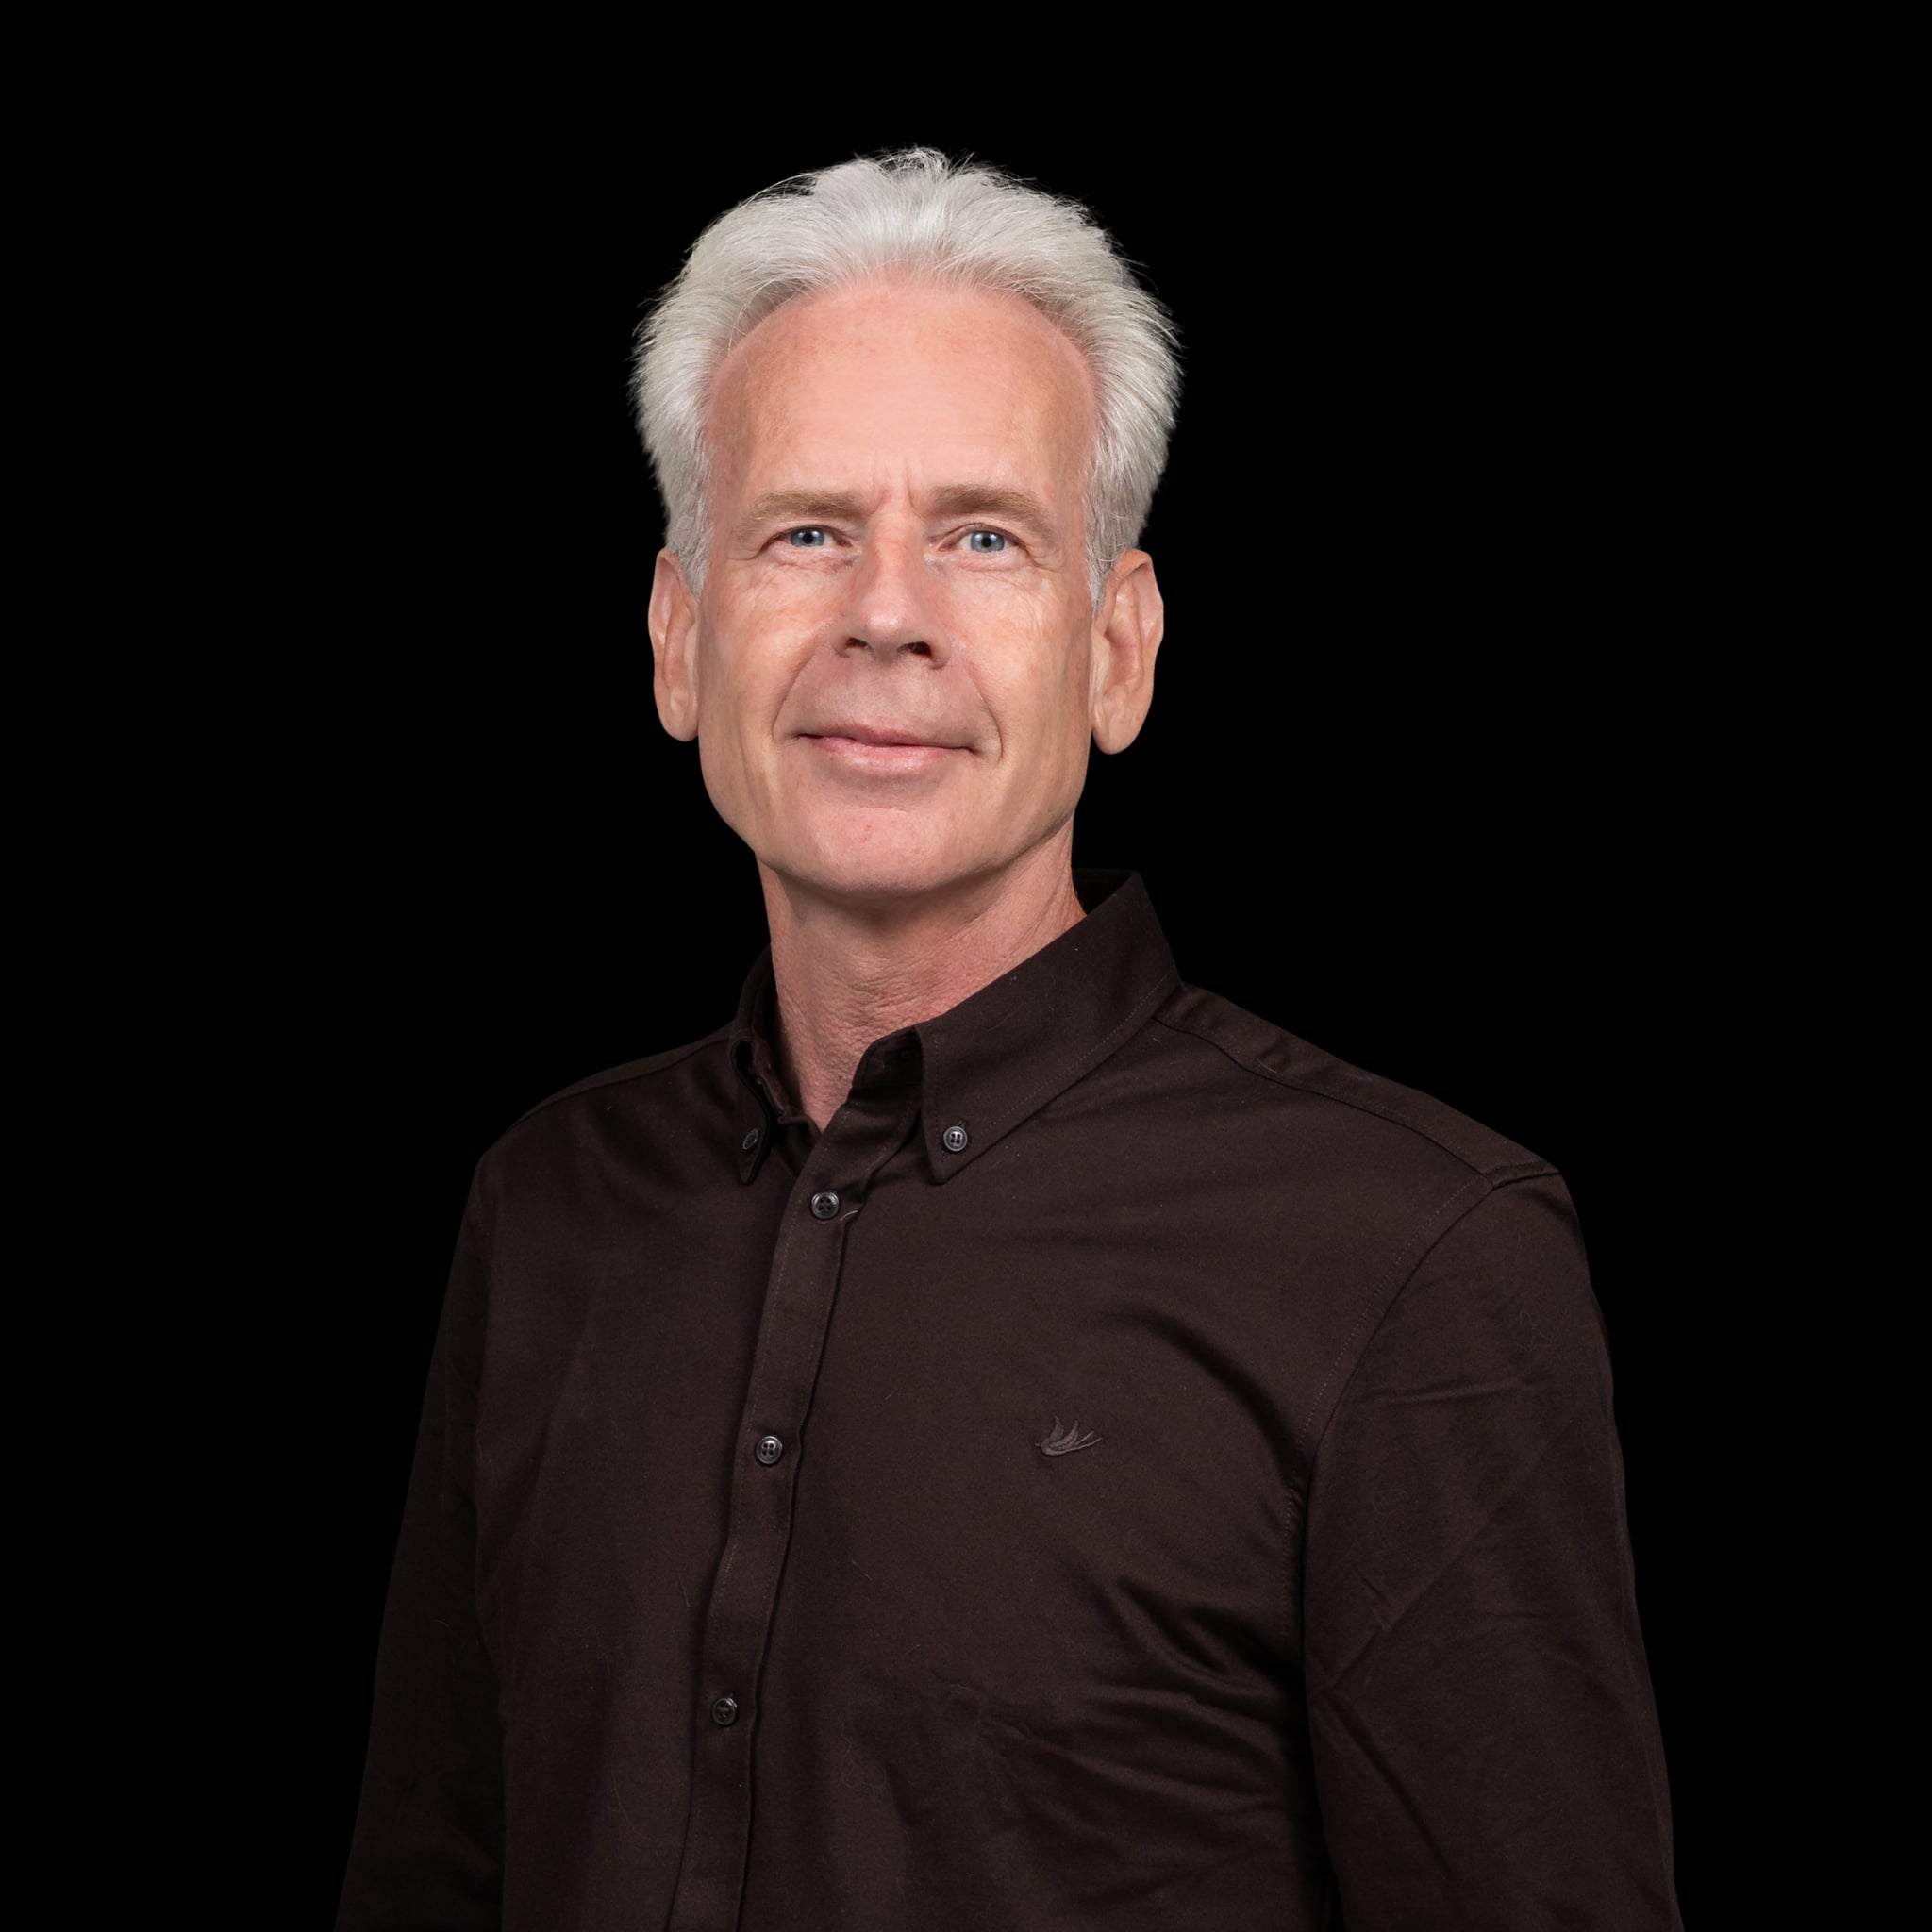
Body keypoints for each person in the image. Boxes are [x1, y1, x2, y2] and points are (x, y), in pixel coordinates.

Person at [338, 148, 1679, 1929]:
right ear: (677, 639)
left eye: (984, 537)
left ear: (1118, 652)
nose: (887, 613)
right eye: (806, 532)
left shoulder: (1411, 1253)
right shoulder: (547, 1208)